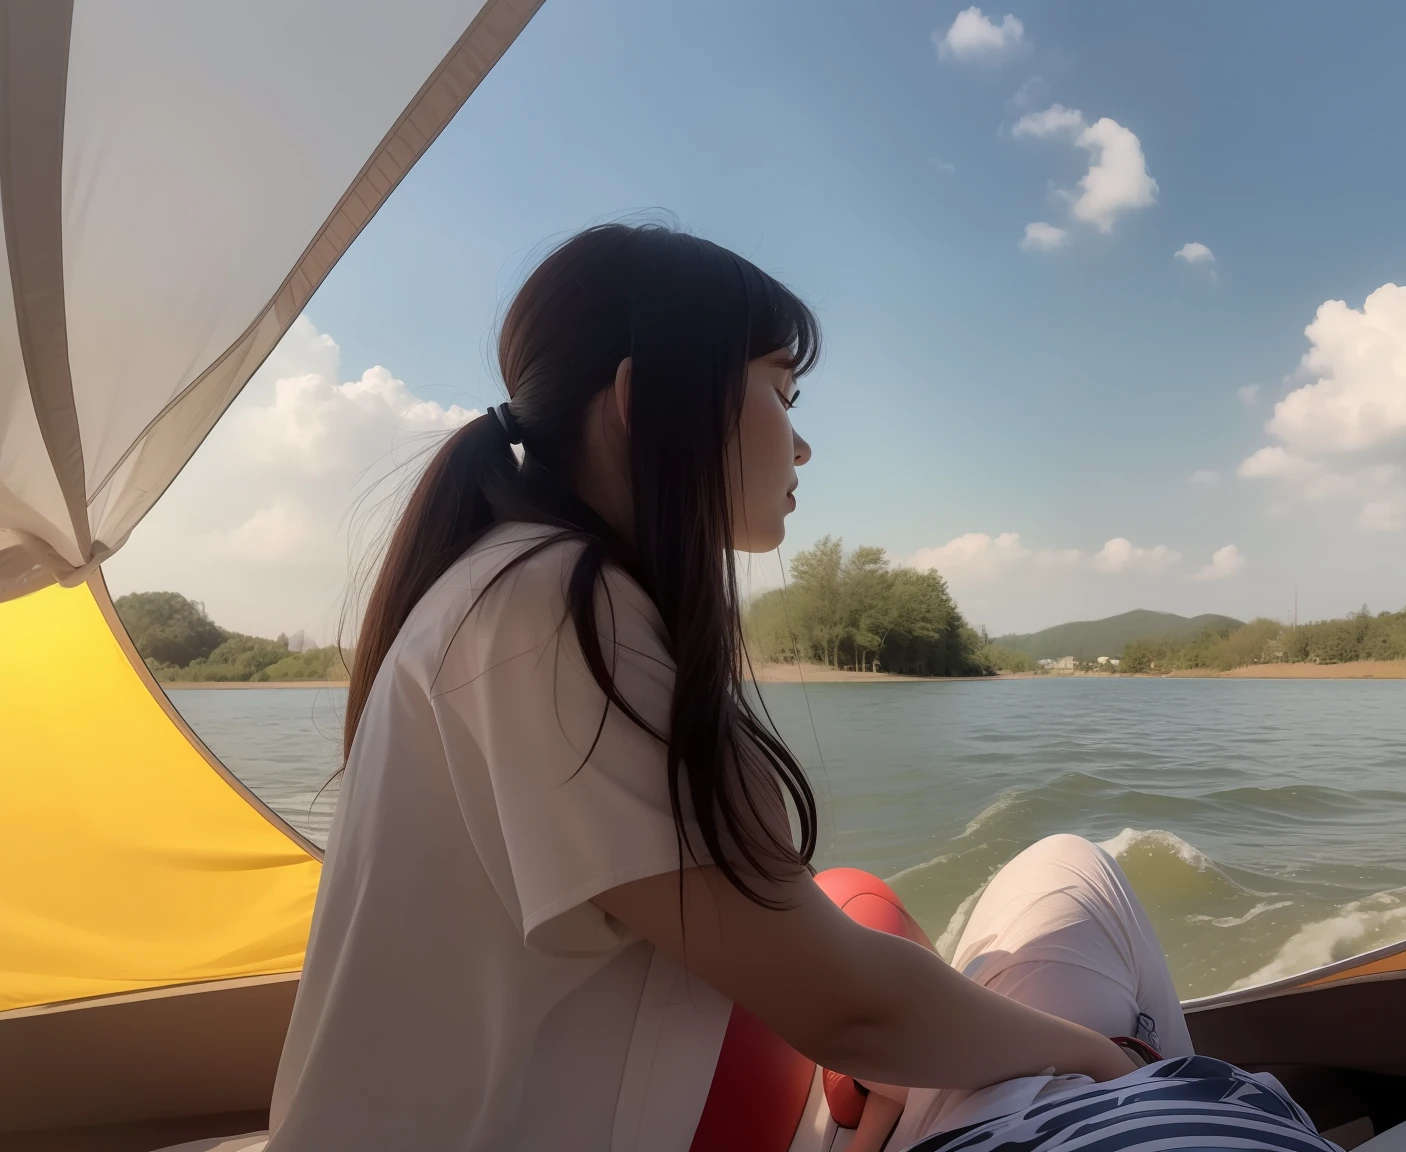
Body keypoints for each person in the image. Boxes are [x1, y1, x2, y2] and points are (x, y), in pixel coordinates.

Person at [265, 223, 1338, 1152]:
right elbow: (849, 1011)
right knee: (1074, 877)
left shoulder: (501, 586)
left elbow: (799, 981)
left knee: (870, 901)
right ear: (645, 401)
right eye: (782, 392)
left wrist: (875, 1036)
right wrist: (1106, 1061)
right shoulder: (555, 612)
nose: (804, 440)